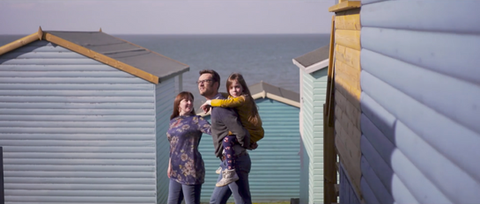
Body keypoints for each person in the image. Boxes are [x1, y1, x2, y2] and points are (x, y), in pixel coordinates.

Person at [197, 69, 252, 204]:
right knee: (216, 201)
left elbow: (240, 132)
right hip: (227, 163)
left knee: (243, 201)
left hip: (235, 162)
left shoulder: (221, 107)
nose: (201, 84)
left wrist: (246, 145)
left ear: (216, 84)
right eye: (199, 82)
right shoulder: (217, 104)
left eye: (206, 81)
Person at [200, 73, 264, 187]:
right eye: (231, 88)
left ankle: (230, 170)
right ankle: (226, 165)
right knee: (216, 201)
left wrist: (210, 102)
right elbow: (225, 97)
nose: (234, 90)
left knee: (227, 140)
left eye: (237, 87)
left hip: (251, 135)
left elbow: (240, 132)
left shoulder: (241, 99)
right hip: (233, 157)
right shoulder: (231, 97)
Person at [166, 91, 211, 204]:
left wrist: (215, 111)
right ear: (178, 104)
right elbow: (173, 145)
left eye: (191, 100)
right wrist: (169, 164)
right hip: (175, 169)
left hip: (190, 169)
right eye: (186, 100)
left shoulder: (197, 120)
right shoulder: (173, 121)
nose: (189, 103)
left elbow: (214, 131)